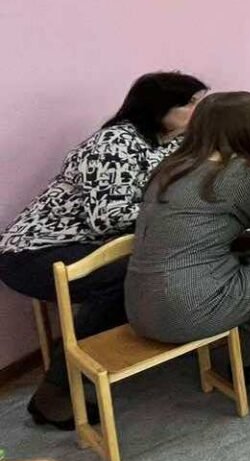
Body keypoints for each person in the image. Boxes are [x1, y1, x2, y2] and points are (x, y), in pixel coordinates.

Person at [0, 71, 207, 428]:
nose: (199, 111)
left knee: (158, 263)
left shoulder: (171, 142)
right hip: (35, 251)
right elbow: (108, 218)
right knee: (131, 275)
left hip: (90, 244)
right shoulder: (113, 143)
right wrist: (176, 210)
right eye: (189, 104)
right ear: (158, 109)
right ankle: (57, 390)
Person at [126, 92, 250, 397]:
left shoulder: (171, 168)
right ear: (246, 129)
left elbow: (208, 217)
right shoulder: (243, 173)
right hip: (194, 309)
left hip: (140, 309)